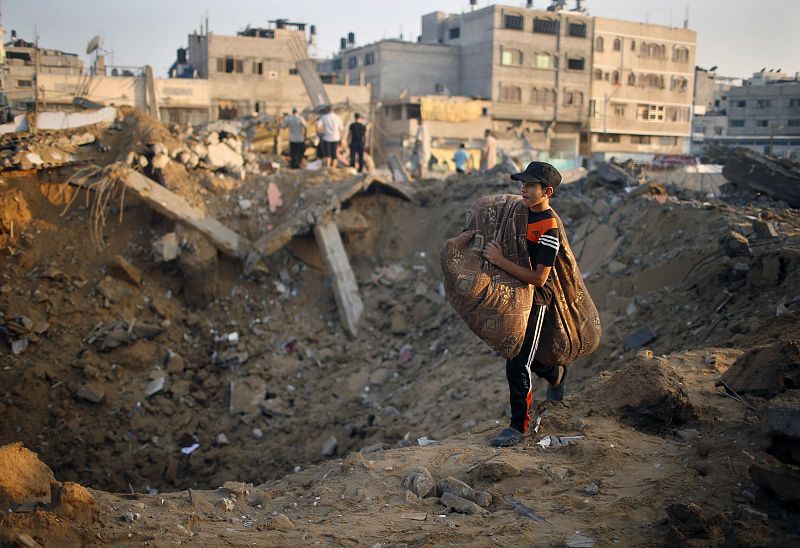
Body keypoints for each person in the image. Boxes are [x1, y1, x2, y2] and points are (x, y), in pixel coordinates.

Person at [481, 161, 567, 448]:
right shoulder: (521, 214)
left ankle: (520, 427)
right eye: (523, 184)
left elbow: (541, 278)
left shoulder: (548, 228)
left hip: (537, 299)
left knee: (518, 362)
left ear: (547, 191)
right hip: (518, 293)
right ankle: (556, 374)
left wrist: (499, 261)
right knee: (525, 357)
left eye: (530, 186)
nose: (524, 190)